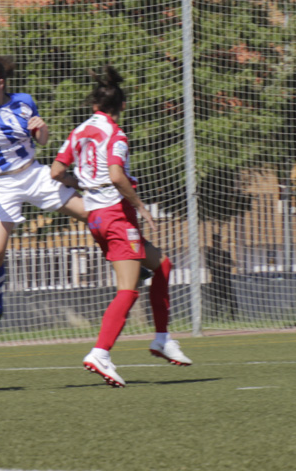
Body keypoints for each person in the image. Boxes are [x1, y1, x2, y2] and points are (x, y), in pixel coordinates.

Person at [50, 65, 192, 388]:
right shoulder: (116, 134)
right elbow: (116, 175)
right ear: (122, 107)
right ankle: (100, 352)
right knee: (127, 289)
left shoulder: (79, 131)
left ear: (94, 106)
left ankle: (161, 337)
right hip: (115, 214)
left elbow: (56, 172)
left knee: (162, 264)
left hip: (95, 216)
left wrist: (86, 183)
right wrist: (141, 206)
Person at [0, 54, 90, 341]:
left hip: (34, 175)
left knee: (91, 214)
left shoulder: (24, 101)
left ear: (0, 83)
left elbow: (42, 140)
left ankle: (126, 258)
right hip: (3, 186)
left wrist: (42, 128)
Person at [205, 232, 238, 319]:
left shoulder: (226, 253)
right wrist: (221, 264)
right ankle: (215, 317)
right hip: (216, 279)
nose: (217, 242)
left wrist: (222, 264)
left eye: (218, 240)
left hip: (226, 279)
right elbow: (211, 265)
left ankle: (233, 316)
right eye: (215, 241)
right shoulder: (210, 253)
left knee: (230, 298)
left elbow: (231, 264)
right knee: (215, 299)